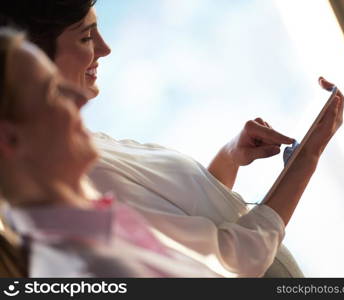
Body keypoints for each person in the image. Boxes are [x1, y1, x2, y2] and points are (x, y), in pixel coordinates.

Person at [0, 1, 344, 277]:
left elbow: (191, 224)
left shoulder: (91, 163)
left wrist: (229, 157)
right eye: (87, 37)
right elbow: (227, 262)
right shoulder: (85, 190)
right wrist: (308, 159)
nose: (105, 48)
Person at [0, 28, 219, 277]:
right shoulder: (94, 269)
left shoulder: (102, 231)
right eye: (52, 91)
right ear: (8, 138)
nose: (82, 97)